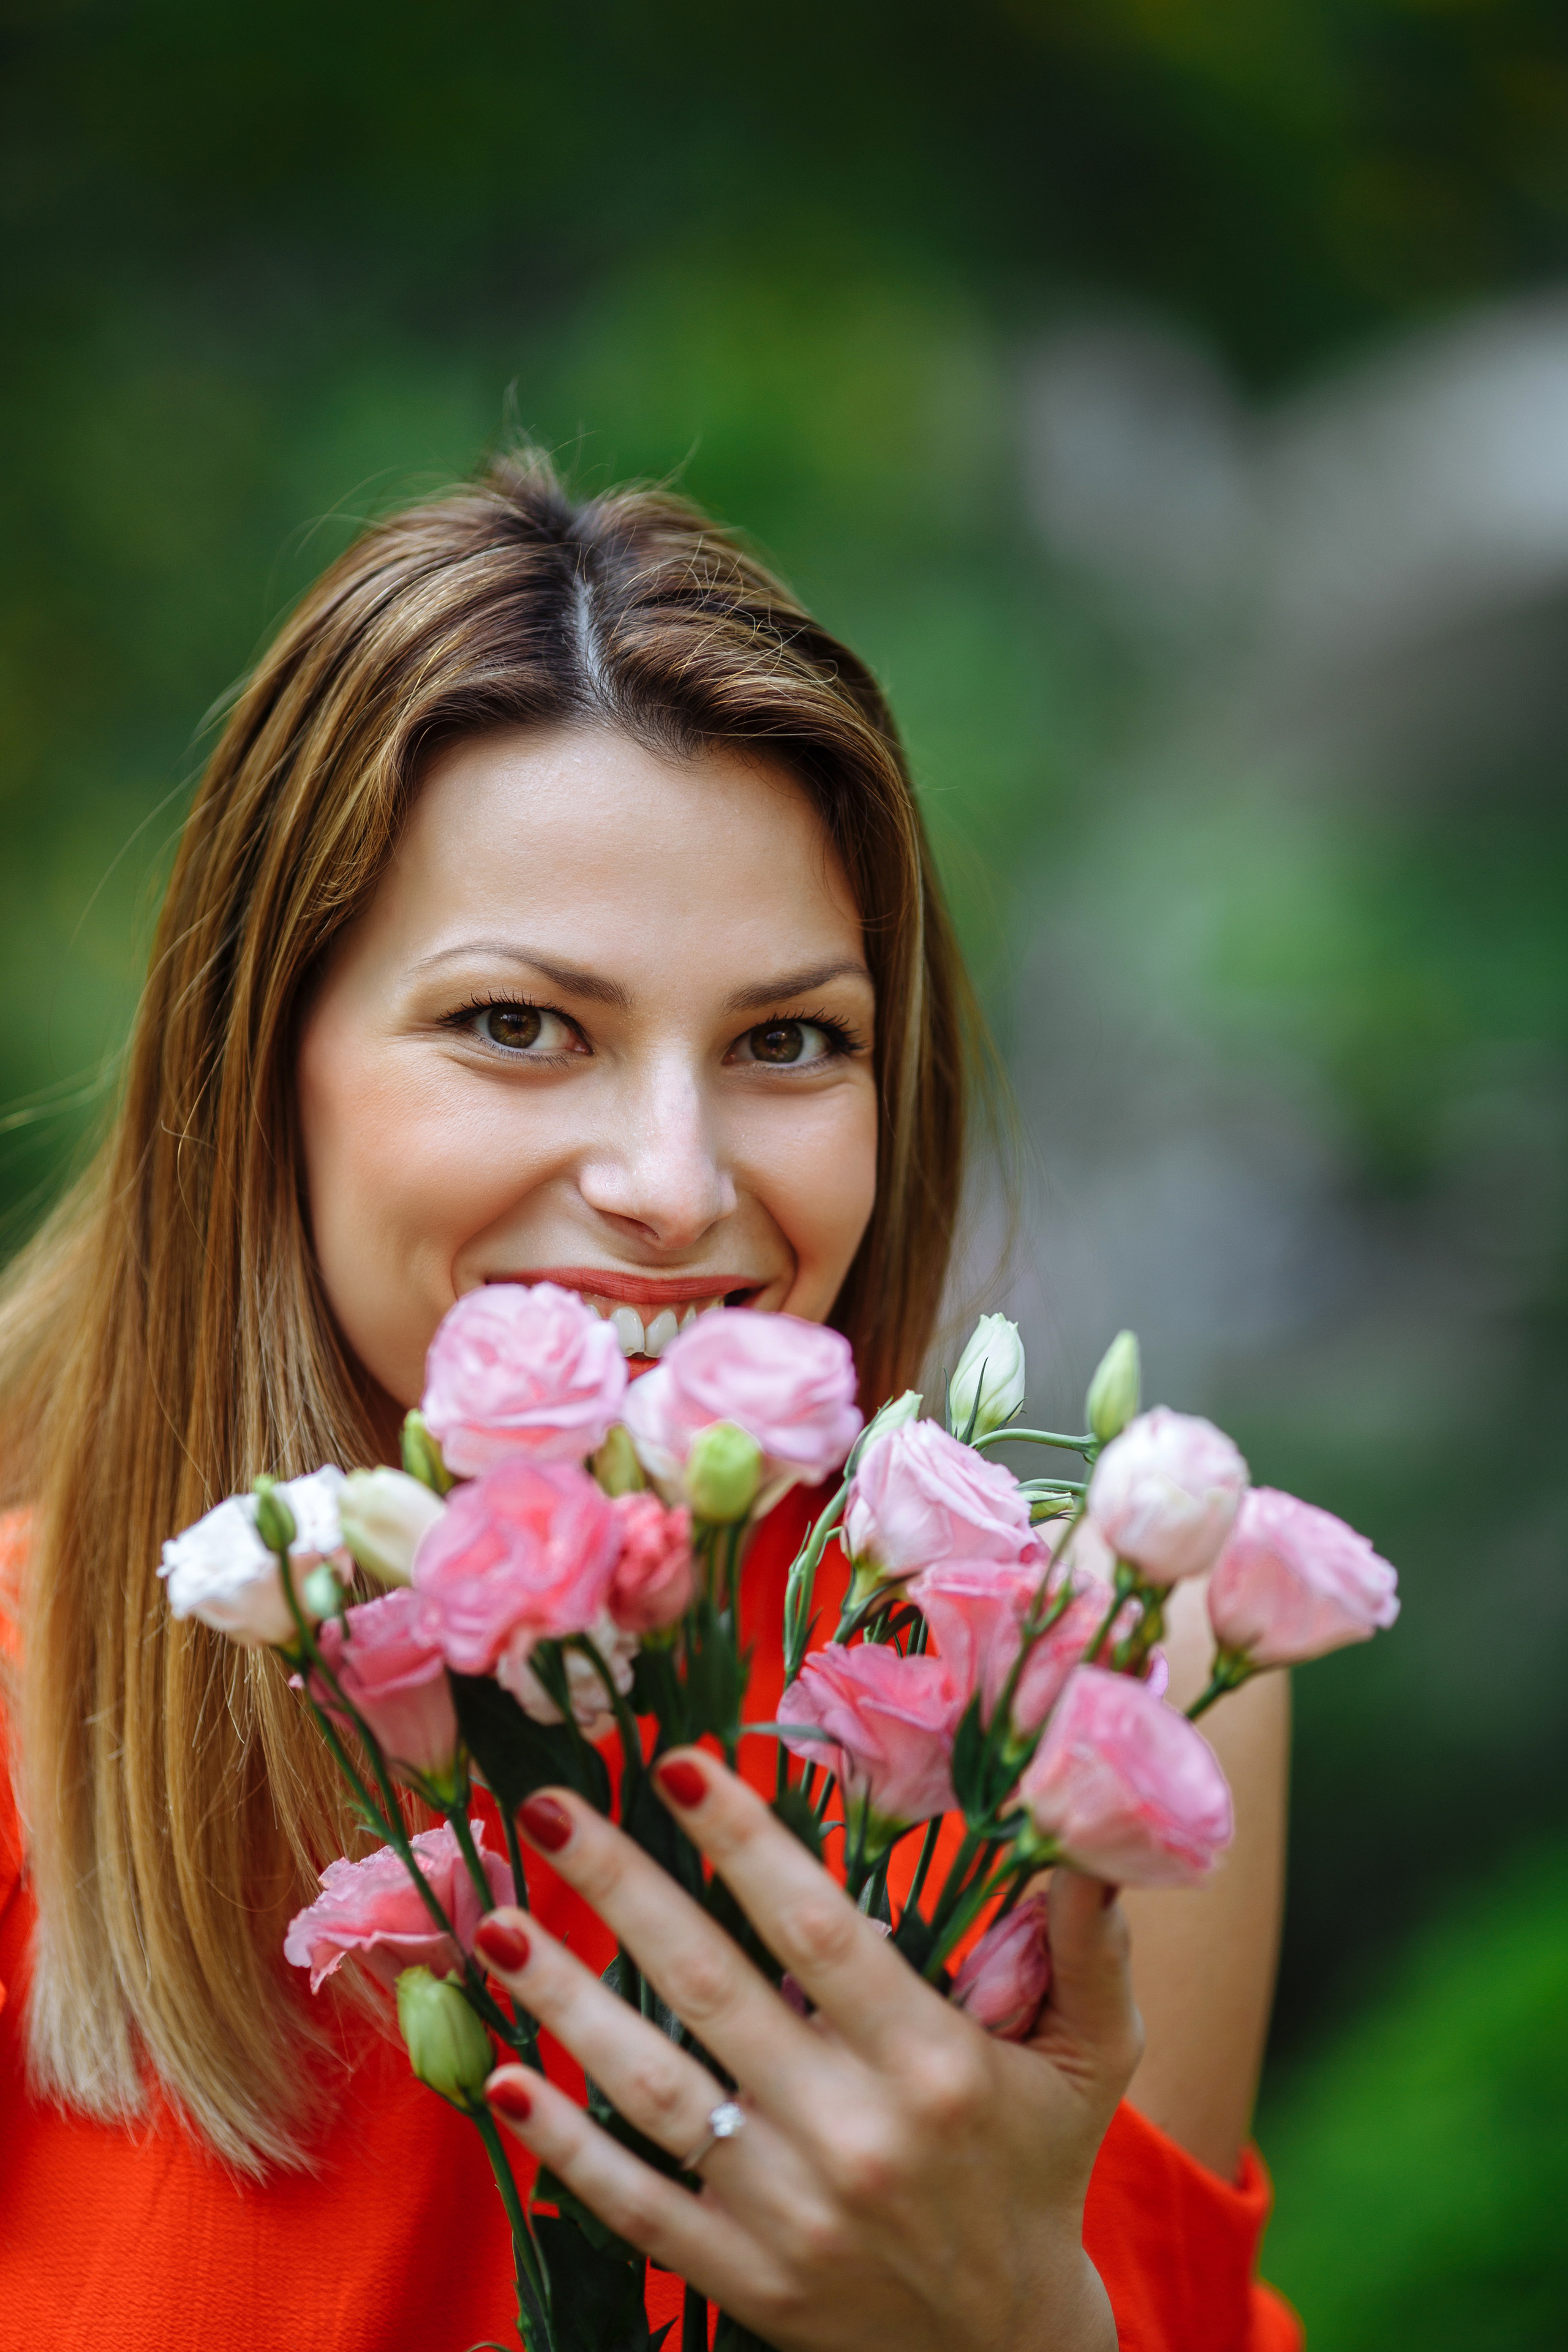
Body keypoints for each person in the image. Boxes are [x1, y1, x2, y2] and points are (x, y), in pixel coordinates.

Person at [0, 453, 1295, 2350]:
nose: (675, 1183)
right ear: (263, 1064)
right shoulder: (32, 1689)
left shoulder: (1083, 1693)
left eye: (790, 1041)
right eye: (520, 1025)